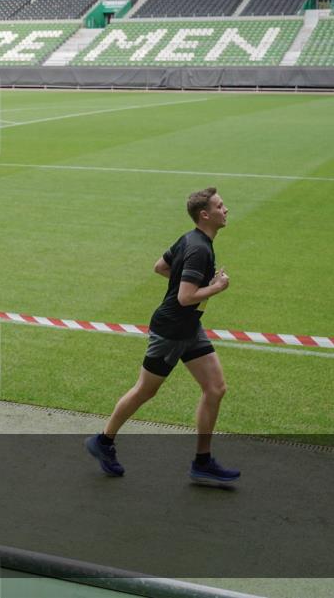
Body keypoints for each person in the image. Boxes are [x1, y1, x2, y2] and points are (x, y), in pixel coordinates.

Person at [86, 187, 240, 486]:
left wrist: (192, 282)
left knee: (215, 388)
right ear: (205, 215)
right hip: (171, 331)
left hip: (189, 328)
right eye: (220, 206)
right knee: (145, 390)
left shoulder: (190, 238)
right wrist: (216, 287)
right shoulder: (199, 249)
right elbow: (185, 297)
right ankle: (103, 441)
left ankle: (203, 462)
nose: (226, 210)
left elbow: (161, 267)